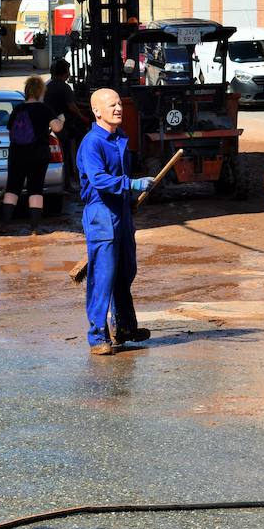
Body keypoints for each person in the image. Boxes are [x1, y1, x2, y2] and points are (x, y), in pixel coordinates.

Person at [78, 88, 154, 356]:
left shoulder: (119, 137)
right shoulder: (92, 142)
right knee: (103, 276)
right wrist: (131, 184)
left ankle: (124, 327)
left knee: (125, 273)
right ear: (97, 111)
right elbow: (97, 179)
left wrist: (129, 197)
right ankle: (97, 335)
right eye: (111, 105)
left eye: (120, 103)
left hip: (121, 212)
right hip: (101, 214)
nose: (118, 108)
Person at [0, 76, 64, 235]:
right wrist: (61, 119)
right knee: (36, 188)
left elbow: (10, 129)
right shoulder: (45, 109)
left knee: (13, 187)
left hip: (17, 154)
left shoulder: (18, 109)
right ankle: (34, 228)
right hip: (38, 154)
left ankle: (4, 224)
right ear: (41, 91)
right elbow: (57, 128)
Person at [43, 59, 89, 186]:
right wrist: (83, 117)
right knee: (68, 153)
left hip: (51, 125)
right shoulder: (64, 86)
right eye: (68, 70)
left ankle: (67, 181)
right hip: (64, 126)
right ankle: (70, 181)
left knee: (62, 154)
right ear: (65, 72)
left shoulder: (48, 86)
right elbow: (71, 106)